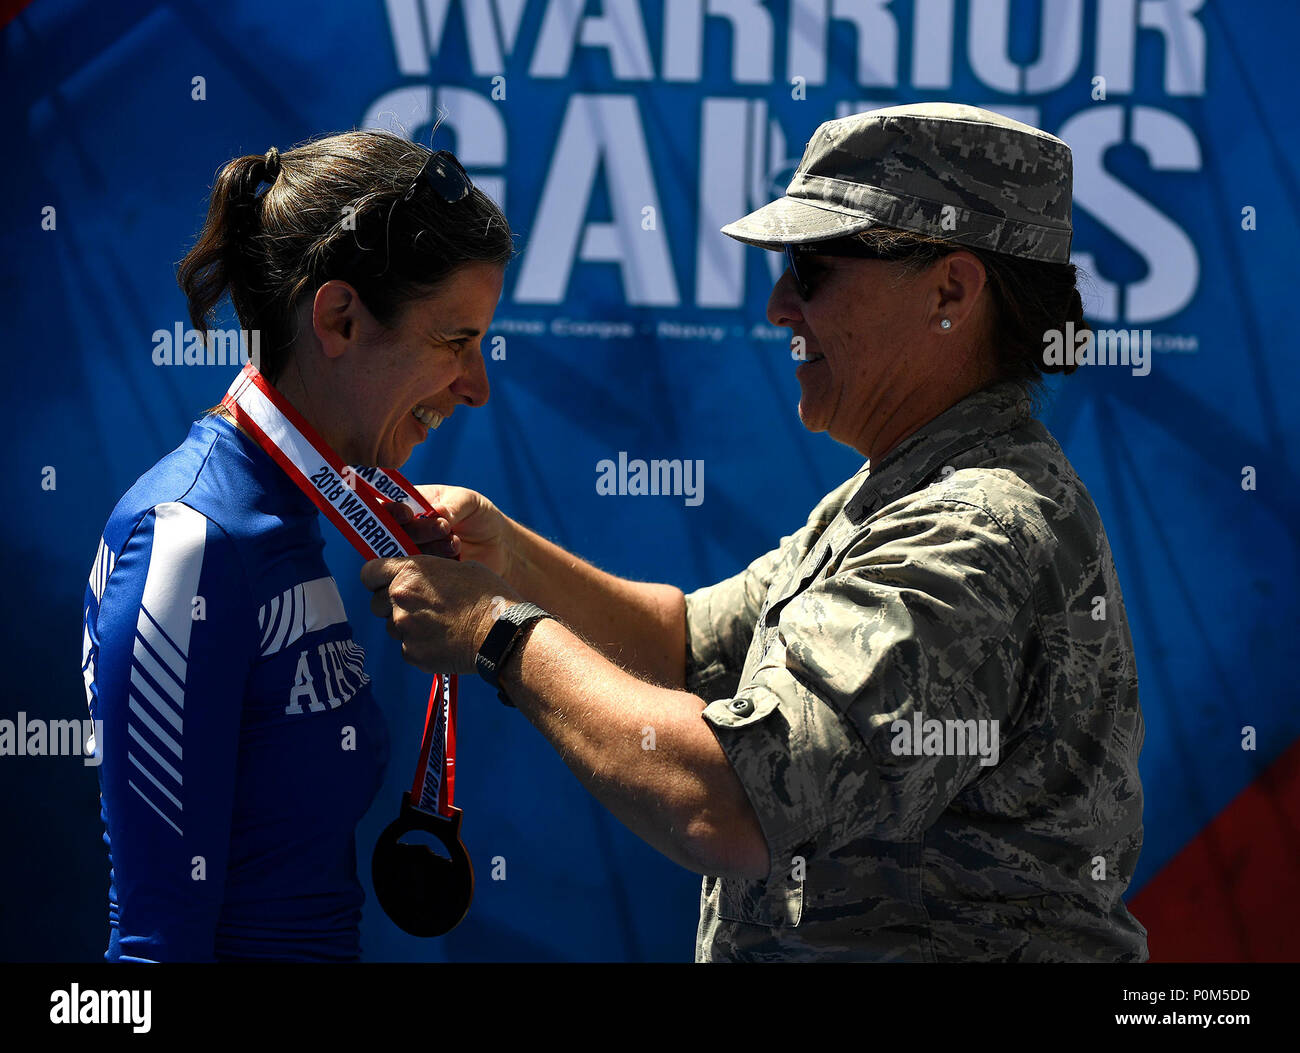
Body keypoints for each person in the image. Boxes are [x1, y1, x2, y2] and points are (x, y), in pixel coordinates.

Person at [364, 102, 1148, 962]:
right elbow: (684, 645)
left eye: (811, 270)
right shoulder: (907, 492)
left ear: (951, 291)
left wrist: (495, 631)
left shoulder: (973, 531)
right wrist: (508, 558)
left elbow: (730, 802)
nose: (779, 307)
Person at [81, 131, 512, 961]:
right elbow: (152, 949)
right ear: (340, 318)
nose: (477, 386)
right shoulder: (186, 540)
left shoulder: (288, 514)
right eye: (455, 341)